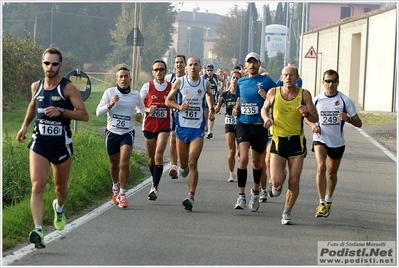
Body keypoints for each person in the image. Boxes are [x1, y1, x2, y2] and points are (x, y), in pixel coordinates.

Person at [16, 46, 89, 249]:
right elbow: (33, 105)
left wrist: (61, 111)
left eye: (54, 63)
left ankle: (60, 207)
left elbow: (84, 115)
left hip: (61, 145)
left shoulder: (68, 88)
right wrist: (24, 126)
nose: (50, 67)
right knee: (38, 185)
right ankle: (38, 230)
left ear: (60, 65)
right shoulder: (35, 86)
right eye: (46, 63)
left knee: (60, 188)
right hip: (39, 143)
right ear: (42, 63)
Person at [261, 65, 318, 225]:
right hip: (278, 141)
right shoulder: (273, 92)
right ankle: (279, 178)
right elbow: (264, 110)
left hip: (296, 143)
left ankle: (287, 211)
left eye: (292, 75)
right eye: (285, 75)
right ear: (281, 77)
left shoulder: (304, 94)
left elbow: (315, 117)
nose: (288, 78)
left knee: (294, 180)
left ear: (297, 77)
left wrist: (306, 112)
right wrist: (267, 119)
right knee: (277, 181)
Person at [305, 69, 362, 218]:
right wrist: (312, 126)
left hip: (337, 142)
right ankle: (321, 202)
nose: (330, 84)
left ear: (337, 83)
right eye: (327, 81)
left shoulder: (344, 100)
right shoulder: (317, 100)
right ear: (323, 82)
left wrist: (348, 118)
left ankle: (329, 199)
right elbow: (306, 117)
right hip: (320, 138)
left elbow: (359, 123)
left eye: (333, 81)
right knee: (321, 167)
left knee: (332, 173)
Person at [165, 57, 215, 211]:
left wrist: (211, 108)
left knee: (193, 162)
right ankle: (182, 167)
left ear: (200, 68)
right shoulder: (180, 82)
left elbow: (208, 95)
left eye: (196, 65)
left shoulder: (204, 83)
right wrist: (180, 107)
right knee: (184, 165)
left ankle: (190, 196)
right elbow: (167, 101)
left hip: (197, 129)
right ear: (186, 68)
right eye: (190, 65)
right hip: (182, 128)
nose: (193, 67)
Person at [232, 52, 276, 212]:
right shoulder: (241, 82)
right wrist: (236, 110)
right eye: (249, 62)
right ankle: (241, 195)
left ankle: (256, 191)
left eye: (254, 62)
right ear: (245, 65)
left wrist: (267, 98)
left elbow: (276, 100)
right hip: (243, 125)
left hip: (260, 126)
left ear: (259, 63)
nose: (252, 65)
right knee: (243, 159)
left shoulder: (267, 81)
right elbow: (239, 99)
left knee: (257, 163)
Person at [96, 66, 144, 208]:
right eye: (121, 77)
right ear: (116, 79)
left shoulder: (136, 95)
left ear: (130, 79)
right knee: (114, 164)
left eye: (126, 76)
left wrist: (139, 113)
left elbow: (141, 107)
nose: (123, 79)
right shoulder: (110, 92)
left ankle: (122, 194)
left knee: (124, 163)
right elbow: (98, 112)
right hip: (112, 133)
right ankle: (115, 187)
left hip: (127, 133)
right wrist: (110, 104)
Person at [140, 59, 172, 200]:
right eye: (156, 69)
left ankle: (154, 187)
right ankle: (154, 180)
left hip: (164, 125)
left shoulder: (171, 86)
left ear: (165, 71)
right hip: (149, 125)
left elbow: (177, 101)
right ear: (153, 72)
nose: (159, 72)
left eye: (161, 69)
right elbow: (138, 104)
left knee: (159, 154)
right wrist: (147, 109)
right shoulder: (147, 86)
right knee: (151, 157)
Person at [215, 69, 241, 182]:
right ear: (230, 79)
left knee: (241, 150)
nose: (235, 80)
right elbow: (216, 110)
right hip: (229, 123)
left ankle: (239, 155)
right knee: (231, 150)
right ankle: (231, 173)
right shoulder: (225, 94)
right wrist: (218, 104)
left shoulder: (242, 93)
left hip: (241, 124)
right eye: (233, 77)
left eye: (237, 78)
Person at [165, 54, 187, 179]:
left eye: (181, 62)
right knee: (172, 138)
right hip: (173, 113)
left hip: (187, 114)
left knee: (183, 140)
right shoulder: (169, 78)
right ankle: (173, 166)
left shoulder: (189, 79)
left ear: (185, 64)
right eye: (177, 62)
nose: (179, 64)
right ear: (174, 65)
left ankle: (182, 163)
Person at [202, 64, 225, 139]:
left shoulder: (216, 77)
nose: (209, 72)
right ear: (206, 71)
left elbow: (223, 81)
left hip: (213, 99)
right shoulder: (203, 77)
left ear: (213, 71)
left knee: (211, 115)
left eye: (211, 70)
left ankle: (209, 131)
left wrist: (221, 88)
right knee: (206, 116)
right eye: (208, 70)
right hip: (205, 100)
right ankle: (205, 125)